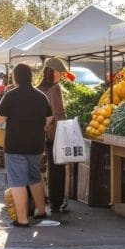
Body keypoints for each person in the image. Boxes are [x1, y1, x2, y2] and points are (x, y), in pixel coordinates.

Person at [0, 63, 52, 227]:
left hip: (15, 144)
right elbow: (49, 118)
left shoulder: (11, 95)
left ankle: (22, 219)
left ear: (15, 77)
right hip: (36, 144)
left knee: (17, 180)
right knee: (35, 176)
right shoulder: (41, 96)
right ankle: (41, 211)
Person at [38, 57, 75, 213]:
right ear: (53, 72)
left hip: (43, 134)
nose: (62, 76)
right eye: (60, 73)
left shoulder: (39, 88)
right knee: (58, 169)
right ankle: (56, 202)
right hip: (56, 134)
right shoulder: (55, 89)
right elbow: (58, 113)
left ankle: (51, 201)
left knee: (49, 169)